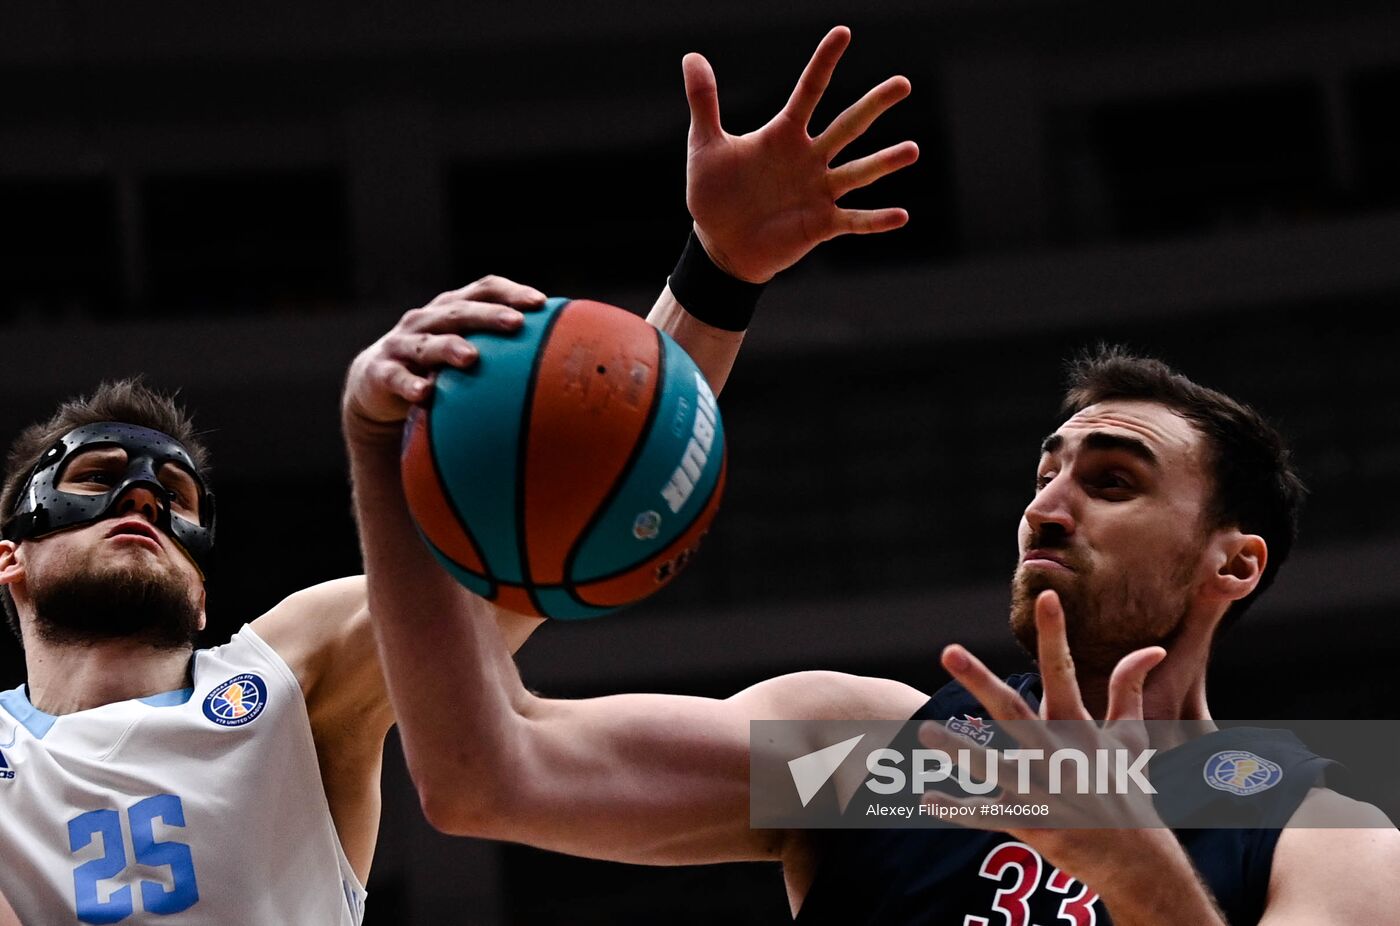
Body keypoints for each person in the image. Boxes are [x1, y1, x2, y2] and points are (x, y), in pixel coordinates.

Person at [0, 26, 916, 923]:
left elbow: (548, 530)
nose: (144, 500)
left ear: (201, 596)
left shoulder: (289, 672)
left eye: (178, 499)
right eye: (98, 477)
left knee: (880, 753)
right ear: (13, 560)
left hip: (1029, 779)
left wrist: (717, 275)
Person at [349, 339, 1400, 915]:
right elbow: (488, 770)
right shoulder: (875, 758)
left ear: (1235, 559)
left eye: (1111, 480)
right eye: (1043, 473)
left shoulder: (1321, 830)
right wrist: (383, 450)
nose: (1046, 503)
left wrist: (1135, 868)